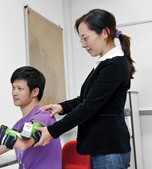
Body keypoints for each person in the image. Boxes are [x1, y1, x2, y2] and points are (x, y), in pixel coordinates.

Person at [34, 9, 136, 169]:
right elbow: (87, 99)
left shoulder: (114, 65)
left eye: (85, 38)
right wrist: (62, 107)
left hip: (109, 149)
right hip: (102, 147)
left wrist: (52, 131)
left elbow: (89, 106)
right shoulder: (105, 64)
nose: (83, 45)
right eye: (81, 40)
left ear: (105, 32)